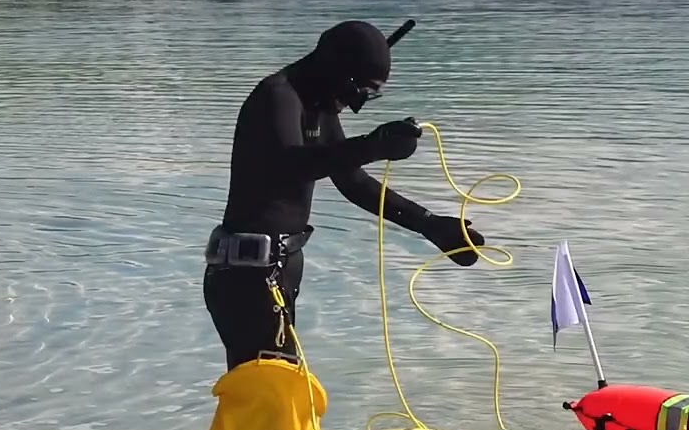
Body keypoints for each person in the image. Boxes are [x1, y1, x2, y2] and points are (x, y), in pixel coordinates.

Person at [202, 19, 488, 373]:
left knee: (270, 403)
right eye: (359, 91)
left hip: (271, 276)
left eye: (369, 96)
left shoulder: (316, 103)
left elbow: (353, 182)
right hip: (246, 279)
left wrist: (429, 225)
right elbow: (291, 166)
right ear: (332, 66)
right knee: (271, 402)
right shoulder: (277, 97)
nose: (356, 106)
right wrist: (374, 145)